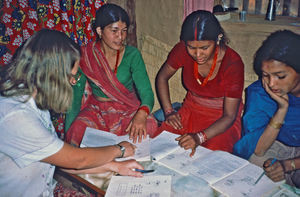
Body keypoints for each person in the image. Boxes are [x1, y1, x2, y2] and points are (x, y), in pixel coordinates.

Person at [0, 29, 145, 196]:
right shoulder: (17, 117)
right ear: (52, 75)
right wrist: (118, 149)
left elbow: (57, 157)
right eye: (71, 77)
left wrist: (114, 166)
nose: (73, 82)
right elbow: (76, 159)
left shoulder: (31, 98)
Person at [65, 3, 157, 146]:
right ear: (100, 30)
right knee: (77, 130)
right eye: (114, 30)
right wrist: (68, 134)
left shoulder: (132, 55)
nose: (120, 37)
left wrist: (141, 114)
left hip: (126, 108)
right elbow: (75, 94)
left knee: (150, 124)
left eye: (124, 30)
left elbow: (147, 92)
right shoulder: (86, 55)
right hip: (97, 110)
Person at [156, 10, 244, 156]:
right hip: (191, 110)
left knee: (211, 157)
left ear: (218, 38)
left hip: (221, 120)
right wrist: (169, 111)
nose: (198, 55)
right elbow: (162, 78)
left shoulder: (233, 63)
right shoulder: (182, 50)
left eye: (204, 48)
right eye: (192, 47)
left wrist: (199, 137)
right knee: (161, 144)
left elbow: (229, 116)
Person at [233, 30, 300, 188]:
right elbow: (259, 149)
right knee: (252, 171)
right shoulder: (259, 93)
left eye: (280, 76)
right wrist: (282, 110)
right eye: (265, 75)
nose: (271, 84)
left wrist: (289, 165)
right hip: (275, 144)